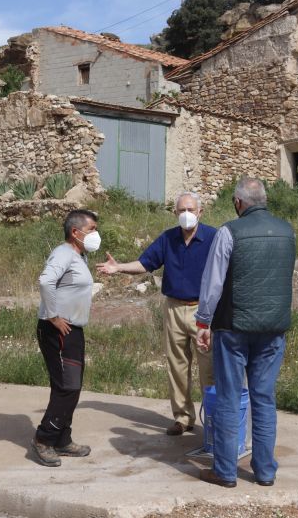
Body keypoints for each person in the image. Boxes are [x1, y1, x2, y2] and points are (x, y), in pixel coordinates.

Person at [194, 178, 295, 488]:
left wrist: (203, 322)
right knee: (264, 399)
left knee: (227, 398)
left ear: (238, 203)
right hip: (273, 328)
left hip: (233, 328)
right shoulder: (287, 231)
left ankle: (225, 472)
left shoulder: (228, 232)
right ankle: (264, 472)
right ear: (264, 200)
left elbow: (213, 284)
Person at [97, 192, 215, 436]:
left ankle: (213, 420)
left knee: (209, 368)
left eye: (191, 210)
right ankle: (183, 418)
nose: (186, 215)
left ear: (200, 212)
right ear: (175, 213)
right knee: (177, 366)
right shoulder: (168, 239)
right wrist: (118, 267)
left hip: (203, 311)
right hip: (173, 307)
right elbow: (145, 263)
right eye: (181, 210)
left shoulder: (214, 238)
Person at [32, 209, 100, 467]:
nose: (95, 234)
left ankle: (62, 439)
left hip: (72, 331)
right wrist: (53, 316)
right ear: (75, 232)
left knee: (71, 386)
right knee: (67, 386)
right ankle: (44, 439)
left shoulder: (78, 256)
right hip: (58, 331)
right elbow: (46, 281)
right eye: (92, 228)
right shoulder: (63, 253)